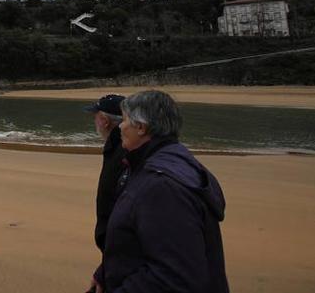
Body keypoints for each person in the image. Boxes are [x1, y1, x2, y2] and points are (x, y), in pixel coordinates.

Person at [93, 90, 229, 293]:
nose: (121, 125)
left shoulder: (163, 186)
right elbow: (144, 243)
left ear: (141, 127)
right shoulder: (159, 162)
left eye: (126, 119)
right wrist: (106, 272)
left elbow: (174, 277)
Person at [83, 94, 127, 293]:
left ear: (104, 120)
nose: (94, 121)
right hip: (116, 257)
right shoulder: (121, 148)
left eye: (95, 116)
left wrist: (108, 266)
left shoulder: (122, 152)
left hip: (123, 260)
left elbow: (121, 212)